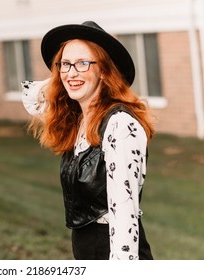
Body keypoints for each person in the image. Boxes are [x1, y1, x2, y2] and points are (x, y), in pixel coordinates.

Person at [22, 21, 155, 260]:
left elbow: (124, 214)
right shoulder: (79, 121)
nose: (71, 72)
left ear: (104, 70)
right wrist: (63, 77)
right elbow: (32, 97)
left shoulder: (119, 125)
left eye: (83, 63)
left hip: (113, 252)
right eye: (65, 63)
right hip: (86, 252)